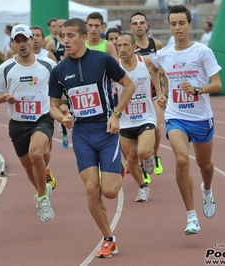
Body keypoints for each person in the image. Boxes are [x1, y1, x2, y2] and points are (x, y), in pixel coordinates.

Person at [49, 18, 135, 259]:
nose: (65, 40)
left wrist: (117, 114)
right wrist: (61, 118)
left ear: (84, 37)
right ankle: (109, 239)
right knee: (91, 190)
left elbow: (128, 85)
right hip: (82, 135)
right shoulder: (59, 71)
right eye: (63, 36)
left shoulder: (103, 60)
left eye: (71, 36)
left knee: (110, 192)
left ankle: (118, 167)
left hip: (106, 132)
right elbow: (52, 106)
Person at [152, 5, 222, 235]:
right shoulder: (165, 54)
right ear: (169, 25)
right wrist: (160, 92)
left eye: (182, 23)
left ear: (190, 25)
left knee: (205, 165)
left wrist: (197, 89)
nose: (178, 27)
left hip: (201, 118)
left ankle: (208, 191)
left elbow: (217, 84)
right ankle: (191, 216)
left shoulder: (202, 51)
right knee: (182, 160)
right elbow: (152, 67)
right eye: (173, 23)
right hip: (176, 117)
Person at [0, 24, 57, 222]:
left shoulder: (47, 65)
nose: (22, 44)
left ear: (31, 40)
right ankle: (43, 188)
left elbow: (60, 87)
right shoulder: (6, 68)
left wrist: (61, 106)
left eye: (24, 39)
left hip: (42, 118)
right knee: (29, 168)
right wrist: (5, 98)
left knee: (37, 154)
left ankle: (43, 199)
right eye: (17, 41)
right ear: (12, 45)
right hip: (18, 123)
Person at [116, 33, 160, 202]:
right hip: (125, 121)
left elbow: (158, 73)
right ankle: (142, 187)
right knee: (131, 161)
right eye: (119, 46)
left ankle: (149, 158)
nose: (122, 49)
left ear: (134, 47)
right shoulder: (115, 67)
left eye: (126, 45)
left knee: (143, 152)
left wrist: (161, 92)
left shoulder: (146, 62)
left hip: (145, 117)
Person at [130, 12, 165, 181]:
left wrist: (163, 91)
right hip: (135, 96)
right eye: (135, 23)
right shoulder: (128, 47)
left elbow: (163, 68)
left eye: (141, 22)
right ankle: (141, 165)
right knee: (136, 133)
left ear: (146, 25)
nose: (138, 25)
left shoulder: (156, 44)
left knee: (156, 128)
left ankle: (154, 156)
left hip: (153, 93)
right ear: (131, 27)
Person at [45, 18, 70, 148]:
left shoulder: (70, 43)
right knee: (61, 104)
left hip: (71, 76)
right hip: (58, 78)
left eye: (62, 26)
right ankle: (64, 133)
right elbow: (44, 57)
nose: (60, 28)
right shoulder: (51, 43)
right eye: (58, 26)